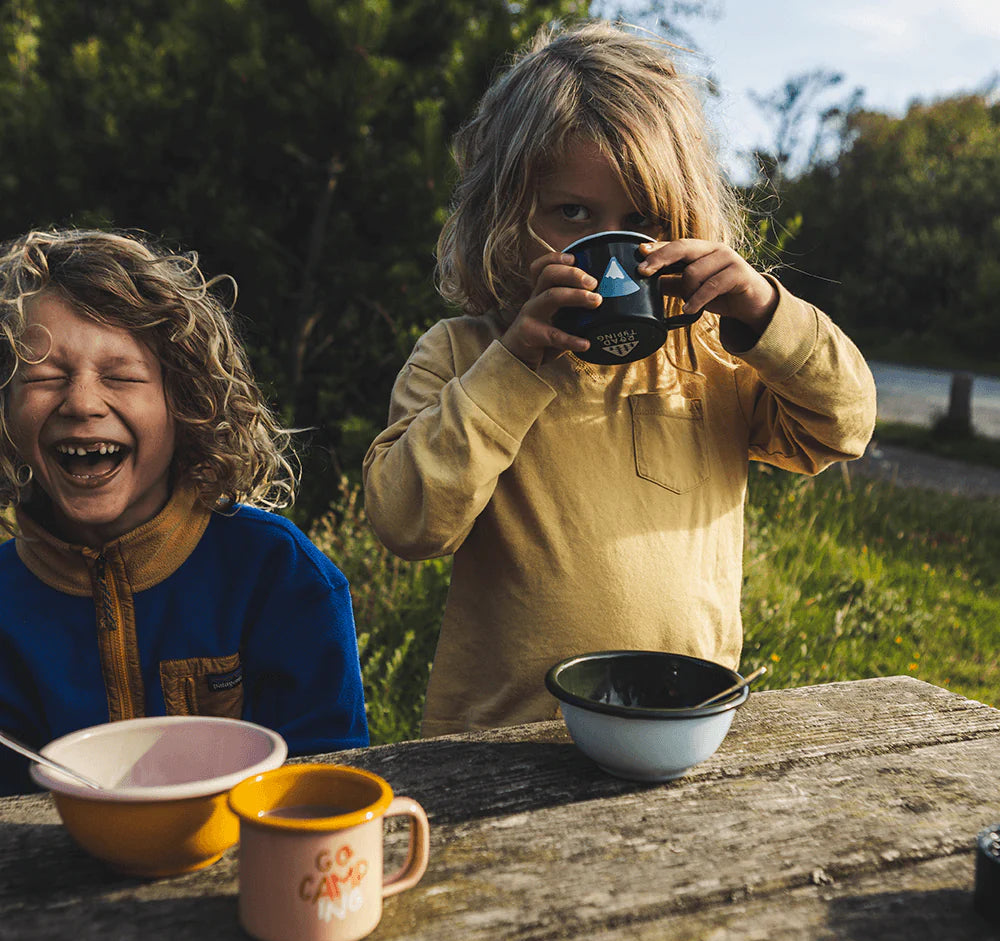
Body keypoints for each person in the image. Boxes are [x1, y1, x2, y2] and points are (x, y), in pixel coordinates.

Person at [362, 21, 877, 738]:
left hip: (679, 731)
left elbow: (844, 424)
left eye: (642, 221)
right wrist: (513, 366)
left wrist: (764, 311)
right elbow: (408, 521)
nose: (609, 256)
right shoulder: (462, 357)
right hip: (500, 749)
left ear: (688, 221)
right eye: (573, 213)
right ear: (507, 219)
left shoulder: (711, 362)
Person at [0, 228, 368, 795]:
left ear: (185, 401)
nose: (81, 403)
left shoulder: (279, 575)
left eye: (121, 376)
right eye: (45, 377)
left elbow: (328, 783)